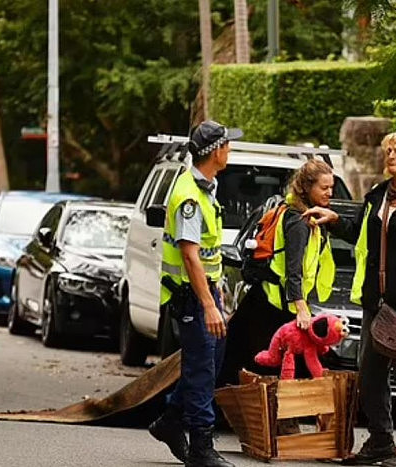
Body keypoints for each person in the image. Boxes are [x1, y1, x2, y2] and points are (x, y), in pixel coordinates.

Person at [304, 131, 396, 467]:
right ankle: (381, 441)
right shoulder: (377, 195)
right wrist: (335, 221)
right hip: (376, 302)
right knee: (370, 377)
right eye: (388, 150)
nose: (390, 155)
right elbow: (361, 231)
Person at [219, 159, 337, 434]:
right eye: (324, 187)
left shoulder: (297, 212)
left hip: (267, 301)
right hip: (275, 305)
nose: (330, 193)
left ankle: (261, 421)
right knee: (274, 367)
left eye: (332, 187)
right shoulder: (298, 222)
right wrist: (301, 308)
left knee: (255, 363)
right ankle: (276, 424)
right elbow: (293, 270)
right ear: (307, 187)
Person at [148, 120, 240, 467]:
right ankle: (202, 447)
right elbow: (189, 254)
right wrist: (208, 305)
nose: (230, 150)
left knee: (210, 363)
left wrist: (219, 298)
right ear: (215, 151)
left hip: (206, 293)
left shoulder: (206, 188)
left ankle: (171, 421)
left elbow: (208, 254)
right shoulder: (189, 195)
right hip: (191, 296)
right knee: (201, 368)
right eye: (228, 145)